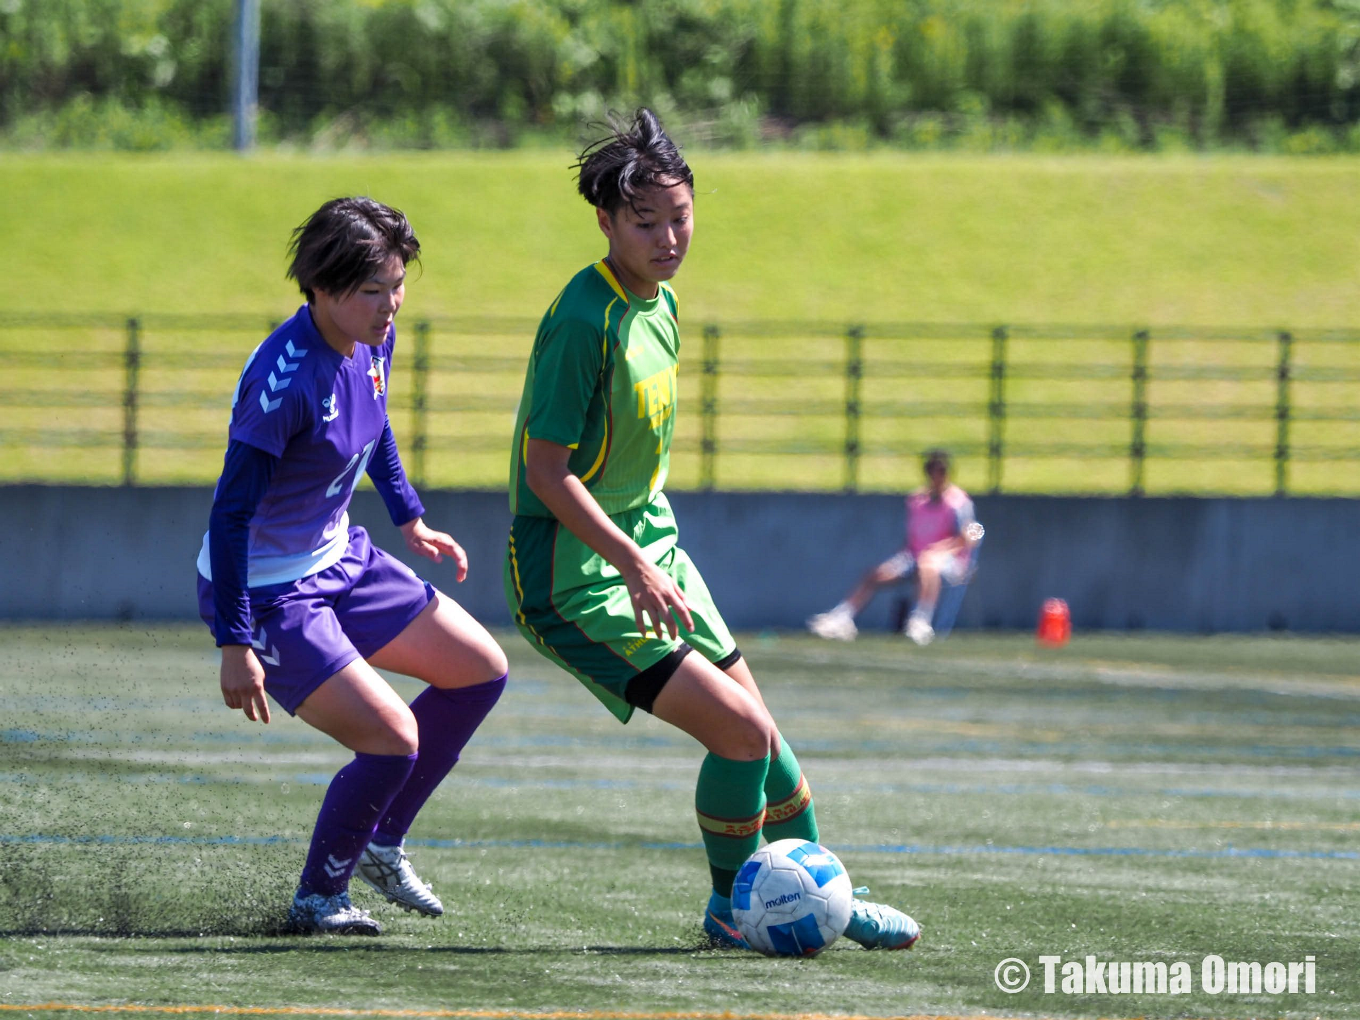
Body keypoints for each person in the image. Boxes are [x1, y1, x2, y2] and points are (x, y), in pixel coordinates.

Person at [502, 109, 920, 952]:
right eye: (645, 223)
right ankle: (732, 908)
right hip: (573, 578)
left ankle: (824, 890)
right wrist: (629, 564)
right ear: (606, 222)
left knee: (767, 741)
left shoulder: (664, 305)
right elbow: (547, 473)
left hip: (651, 552)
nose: (667, 238)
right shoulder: (586, 321)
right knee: (738, 734)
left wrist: (649, 555)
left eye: (680, 218)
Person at [195, 197, 508, 935]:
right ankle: (317, 898)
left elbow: (377, 420)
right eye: (373, 289)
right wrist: (235, 643)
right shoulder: (284, 380)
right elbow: (230, 515)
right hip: (270, 593)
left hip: (343, 556)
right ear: (323, 288)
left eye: (398, 284)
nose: (390, 304)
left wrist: (411, 517)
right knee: (393, 736)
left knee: (480, 670)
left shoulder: (373, 339)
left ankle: (382, 840)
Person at [808, 448, 982, 645]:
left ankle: (921, 621)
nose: (936, 476)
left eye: (941, 471)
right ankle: (842, 616)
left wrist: (944, 549)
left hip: (950, 561)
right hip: (914, 556)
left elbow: (975, 533)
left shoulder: (960, 502)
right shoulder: (917, 500)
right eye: (932, 471)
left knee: (928, 565)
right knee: (876, 573)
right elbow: (913, 537)